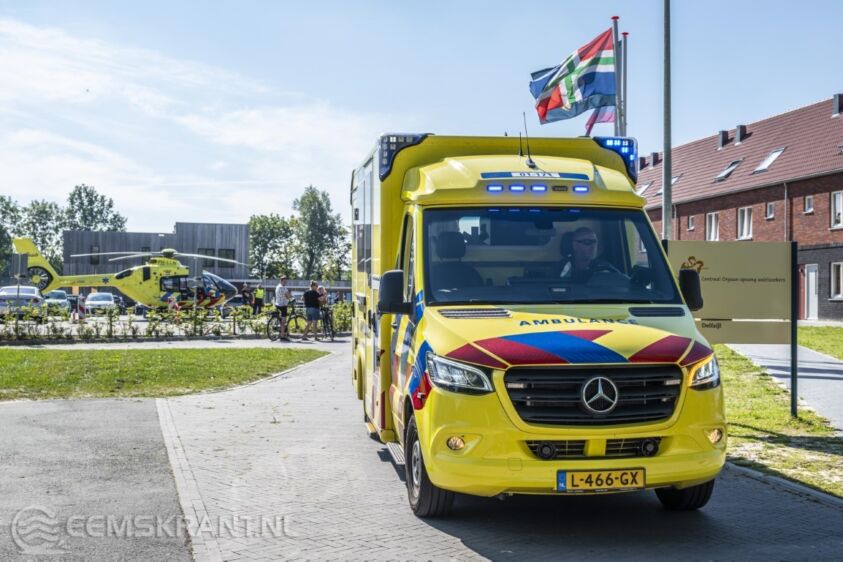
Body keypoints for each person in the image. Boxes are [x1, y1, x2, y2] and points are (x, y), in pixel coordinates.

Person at [274, 276, 292, 340]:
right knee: (283, 322)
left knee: (281, 320)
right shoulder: (282, 287)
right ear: (281, 281)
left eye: (286, 281)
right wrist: (292, 298)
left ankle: (282, 332)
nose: (285, 282)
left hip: (277, 304)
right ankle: (282, 335)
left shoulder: (277, 286)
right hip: (283, 305)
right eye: (284, 281)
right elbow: (288, 296)